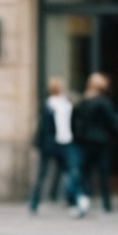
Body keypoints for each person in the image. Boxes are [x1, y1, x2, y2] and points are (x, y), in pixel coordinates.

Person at [29, 77, 79, 214]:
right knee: (65, 173)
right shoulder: (56, 105)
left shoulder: (57, 105)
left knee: (56, 173)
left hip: (59, 142)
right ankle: (70, 201)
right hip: (58, 142)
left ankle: (70, 200)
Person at [73, 72, 118, 215]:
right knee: (103, 173)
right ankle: (106, 203)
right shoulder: (104, 102)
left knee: (85, 172)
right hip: (101, 141)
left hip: (85, 141)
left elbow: (75, 122)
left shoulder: (83, 101)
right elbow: (112, 122)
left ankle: (84, 200)